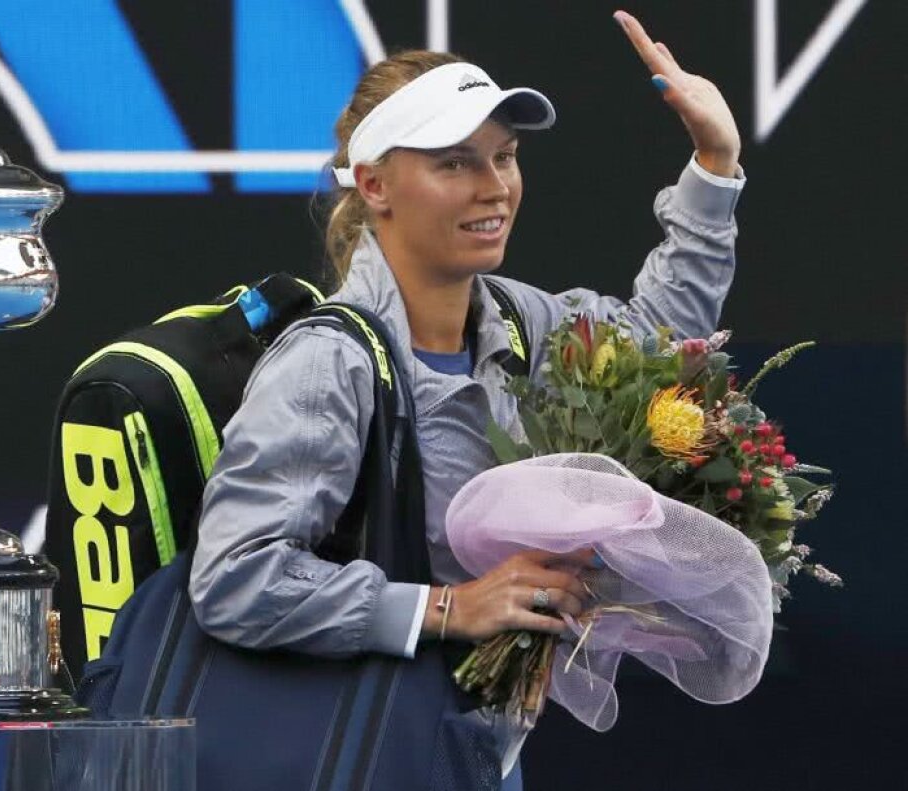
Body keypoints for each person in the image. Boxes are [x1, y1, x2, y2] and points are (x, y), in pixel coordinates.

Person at [190, 10, 745, 789]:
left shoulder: (521, 319)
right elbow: (235, 576)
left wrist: (713, 167)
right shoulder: (326, 364)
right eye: (455, 164)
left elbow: (657, 352)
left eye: (505, 157)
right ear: (374, 184)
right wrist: (446, 608)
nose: (495, 187)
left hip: (475, 754)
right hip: (355, 758)